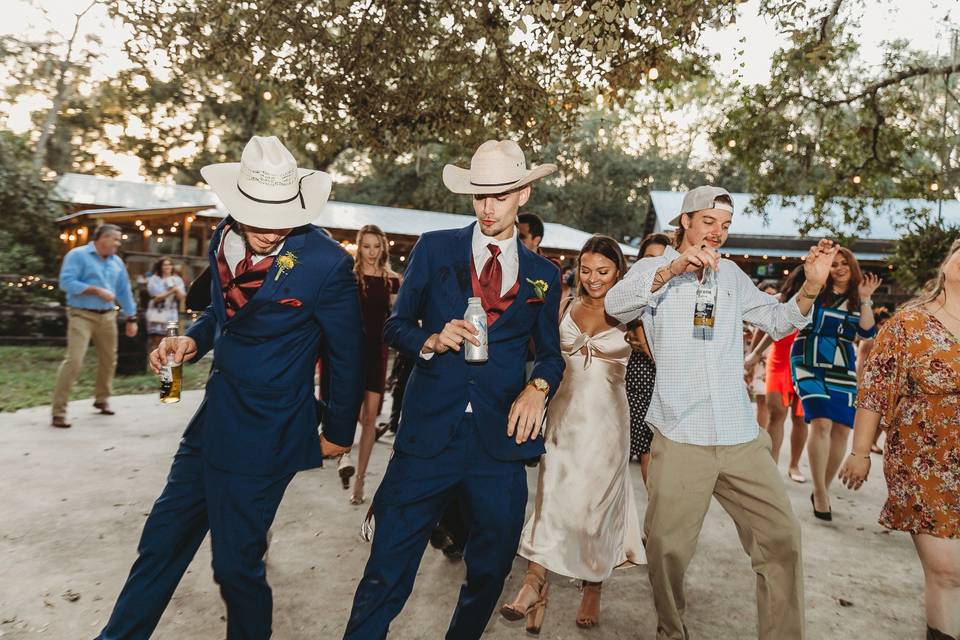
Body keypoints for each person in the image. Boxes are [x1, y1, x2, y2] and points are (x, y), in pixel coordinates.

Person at [95, 136, 365, 640]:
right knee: (160, 543)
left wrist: (338, 428)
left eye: (278, 214)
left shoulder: (328, 263)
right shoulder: (223, 235)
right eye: (253, 214)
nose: (266, 229)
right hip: (211, 424)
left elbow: (348, 352)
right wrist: (193, 341)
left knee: (236, 567)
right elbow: (222, 312)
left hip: (269, 434)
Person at [343, 139, 564, 640]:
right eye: (479, 195)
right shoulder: (435, 247)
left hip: (499, 443)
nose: (488, 207)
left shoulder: (544, 275)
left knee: (490, 569)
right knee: (387, 567)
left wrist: (538, 387)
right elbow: (395, 326)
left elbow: (550, 353)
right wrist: (431, 339)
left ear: (523, 195)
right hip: (427, 437)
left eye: (500, 196)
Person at [605, 185, 837, 640]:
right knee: (668, 549)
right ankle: (671, 629)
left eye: (725, 225)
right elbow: (617, 305)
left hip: (738, 435)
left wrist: (810, 288)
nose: (718, 232)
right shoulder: (654, 268)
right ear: (686, 220)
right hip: (680, 431)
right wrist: (673, 269)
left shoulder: (731, 275)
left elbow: (777, 319)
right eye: (709, 222)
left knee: (782, 538)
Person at [501, 235, 644, 633]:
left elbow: (658, 356)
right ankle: (535, 583)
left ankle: (592, 586)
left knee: (595, 507)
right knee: (552, 501)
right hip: (562, 420)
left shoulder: (632, 314)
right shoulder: (564, 305)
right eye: (586, 269)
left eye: (603, 271)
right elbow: (542, 353)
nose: (593, 278)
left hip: (608, 425)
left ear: (618, 271)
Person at [839, 239, 960, 640]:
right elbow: (874, 392)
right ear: (946, 264)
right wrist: (860, 451)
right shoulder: (909, 324)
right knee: (946, 570)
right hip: (925, 460)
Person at [791, 247, 881, 520]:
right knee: (821, 422)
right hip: (808, 359)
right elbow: (795, 314)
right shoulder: (816, 289)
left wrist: (865, 299)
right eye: (834, 264)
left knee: (842, 429)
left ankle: (824, 488)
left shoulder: (857, 298)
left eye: (845, 264)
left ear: (853, 267)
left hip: (842, 366)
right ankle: (819, 492)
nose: (839, 268)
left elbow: (867, 333)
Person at [51, 224, 138, 428]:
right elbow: (66, 282)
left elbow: (124, 291)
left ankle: (102, 399)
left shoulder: (117, 262)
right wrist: (94, 290)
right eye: (116, 239)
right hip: (81, 315)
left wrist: (131, 318)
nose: (118, 243)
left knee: (109, 360)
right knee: (74, 360)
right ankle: (58, 412)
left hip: (108, 317)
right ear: (104, 238)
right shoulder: (77, 255)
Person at [340, 224, 402, 505]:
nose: (372, 252)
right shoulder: (349, 277)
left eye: (377, 246)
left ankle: (361, 481)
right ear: (359, 247)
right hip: (350, 353)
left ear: (383, 248)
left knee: (370, 419)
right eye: (366, 246)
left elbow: (402, 316)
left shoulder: (392, 281)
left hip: (377, 354)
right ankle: (344, 456)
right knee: (346, 413)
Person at [745, 267, 810, 483]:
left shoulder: (821, 304)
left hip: (805, 365)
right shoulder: (779, 300)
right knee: (777, 415)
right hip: (779, 362)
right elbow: (762, 330)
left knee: (801, 418)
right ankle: (770, 467)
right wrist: (753, 356)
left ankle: (794, 465)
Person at [625, 232, 671, 480]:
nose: (655, 265)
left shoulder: (679, 293)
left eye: (662, 259)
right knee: (649, 452)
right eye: (649, 258)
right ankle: (658, 512)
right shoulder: (630, 296)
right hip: (643, 379)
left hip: (672, 383)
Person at [145, 257, 186, 353]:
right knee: (156, 342)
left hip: (171, 314)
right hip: (157, 313)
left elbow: (182, 297)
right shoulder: (154, 279)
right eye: (165, 264)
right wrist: (173, 290)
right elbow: (157, 297)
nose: (167, 267)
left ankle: (168, 365)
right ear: (160, 266)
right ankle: (155, 365)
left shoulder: (177, 280)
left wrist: (176, 290)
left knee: (170, 341)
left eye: (169, 264)